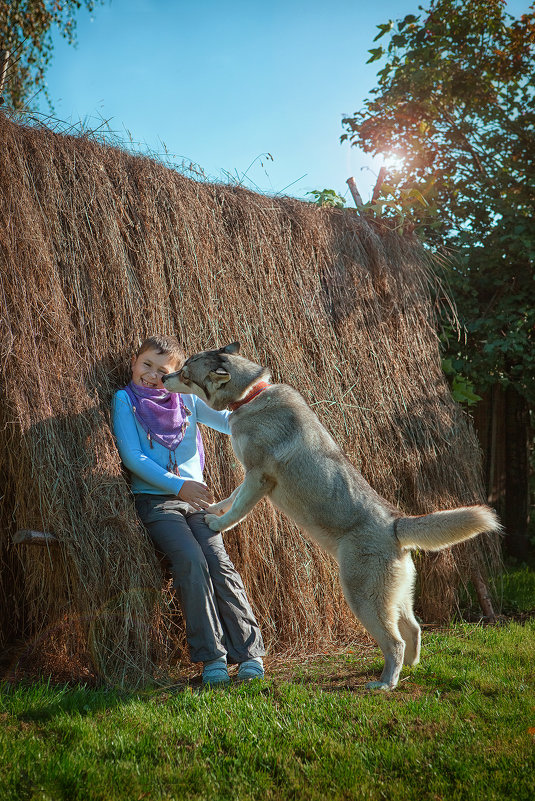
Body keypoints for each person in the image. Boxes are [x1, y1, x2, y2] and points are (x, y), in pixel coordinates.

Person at [111, 334, 265, 685]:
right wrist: (178, 485)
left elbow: (228, 422)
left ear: (175, 374)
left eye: (161, 370)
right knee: (190, 559)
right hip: (157, 501)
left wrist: (255, 404)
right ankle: (212, 660)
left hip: (196, 504)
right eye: (145, 364)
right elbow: (132, 458)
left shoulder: (188, 401)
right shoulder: (126, 401)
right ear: (134, 362)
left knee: (218, 562)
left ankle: (250, 655)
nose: (151, 374)